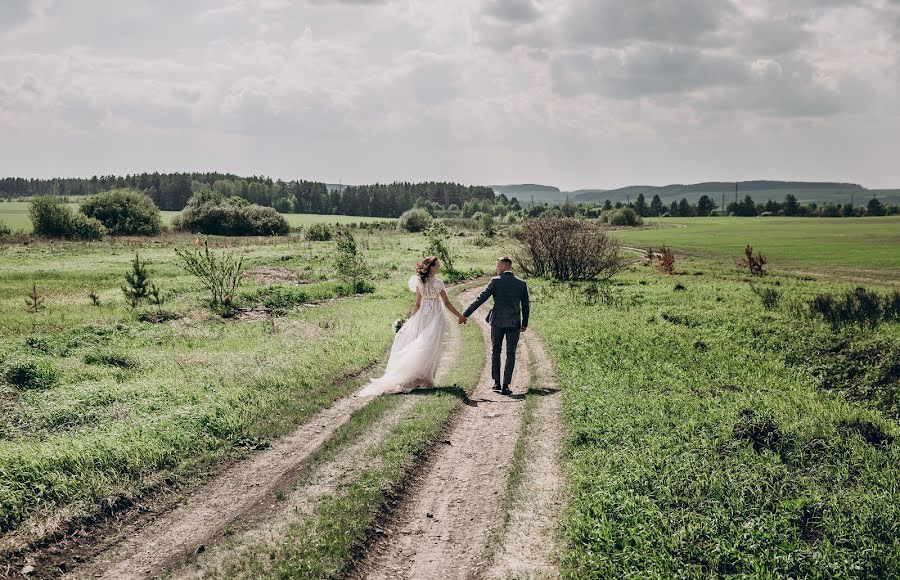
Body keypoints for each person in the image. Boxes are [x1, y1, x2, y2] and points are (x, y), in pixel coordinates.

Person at [358, 256, 466, 397]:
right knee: (429, 346)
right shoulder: (438, 283)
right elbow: (447, 303)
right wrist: (460, 315)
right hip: (434, 316)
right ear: (432, 267)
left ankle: (423, 379)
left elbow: (418, 304)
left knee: (423, 344)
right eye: (438, 265)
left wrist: (412, 319)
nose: (439, 267)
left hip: (423, 315)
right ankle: (420, 379)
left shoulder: (420, 282)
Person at [461, 257, 529, 395]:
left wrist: (465, 314)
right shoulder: (521, 284)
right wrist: (524, 323)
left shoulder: (495, 281)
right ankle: (506, 385)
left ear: (504, 267)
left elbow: (480, 299)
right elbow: (526, 305)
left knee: (496, 350)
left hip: (497, 322)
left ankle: (496, 383)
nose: (496, 268)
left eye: (497, 266)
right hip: (514, 323)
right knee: (511, 353)